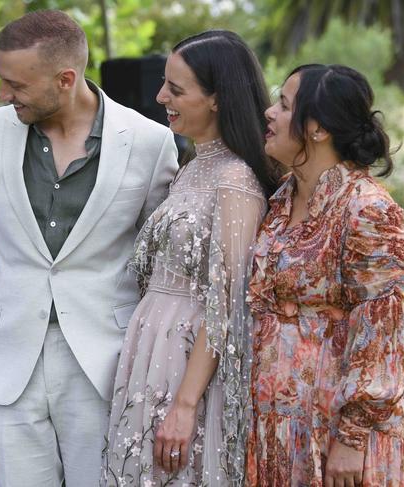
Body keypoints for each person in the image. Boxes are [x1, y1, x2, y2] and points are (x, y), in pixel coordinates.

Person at [0, 10, 178, 487]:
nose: (2, 95)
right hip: (6, 356)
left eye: (15, 84)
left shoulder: (149, 142)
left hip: (104, 361)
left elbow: (164, 260)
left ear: (65, 78)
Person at [101, 31, 276, 486]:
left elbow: (228, 302)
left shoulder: (235, 179)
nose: (161, 97)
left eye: (176, 90)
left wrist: (184, 404)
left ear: (218, 99)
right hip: (150, 350)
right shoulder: (193, 167)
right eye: (164, 84)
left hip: (187, 363)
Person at [246, 64, 404, 486]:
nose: (268, 112)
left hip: (335, 437)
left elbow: (381, 339)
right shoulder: (282, 199)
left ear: (317, 128)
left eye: (283, 105)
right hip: (277, 425)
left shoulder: (367, 209)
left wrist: (352, 439)